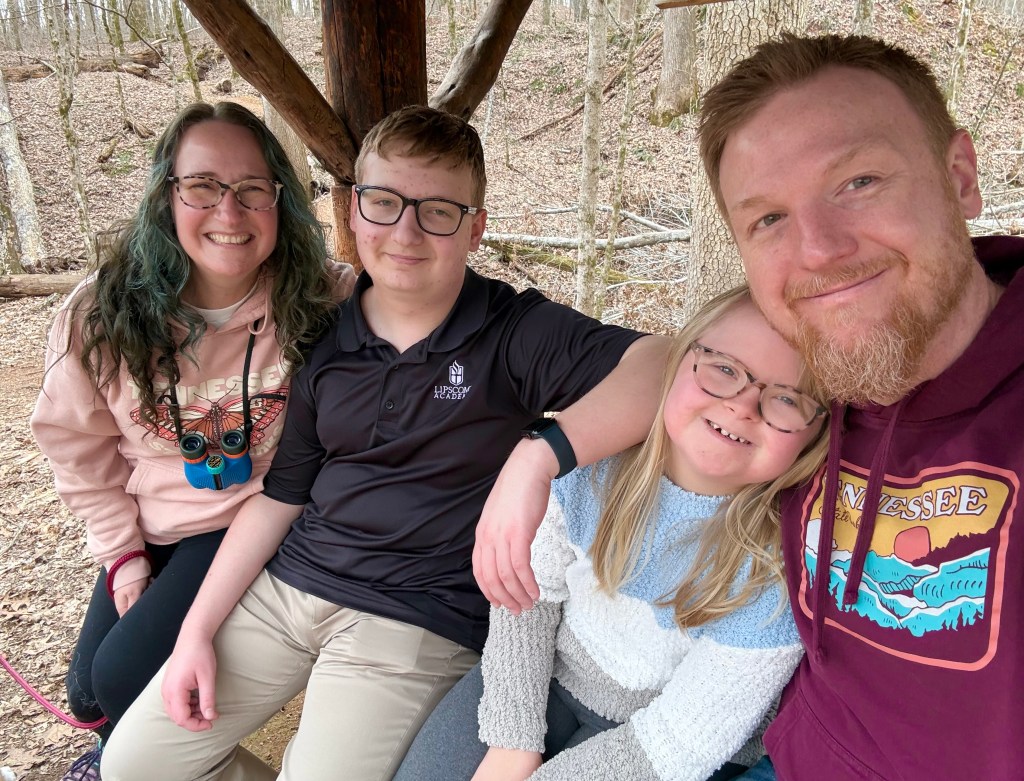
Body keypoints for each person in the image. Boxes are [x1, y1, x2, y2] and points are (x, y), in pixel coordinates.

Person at [478, 32, 1024, 781]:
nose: (820, 248)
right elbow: (667, 364)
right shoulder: (827, 359)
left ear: (959, 175)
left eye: (859, 180)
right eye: (768, 218)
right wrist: (540, 453)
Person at [100, 105, 667, 781]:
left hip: (413, 619)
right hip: (289, 590)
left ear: (475, 227)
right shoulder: (326, 339)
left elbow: (665, 365)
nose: (405, 230)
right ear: (353, 211)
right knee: (133, 764)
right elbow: (279, 501)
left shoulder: (514, 331)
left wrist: (539, 453)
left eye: (437, 210)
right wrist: (195, 631)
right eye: (384, 202)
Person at [30, 100, 355, 781]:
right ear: (166, 194)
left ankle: (140, 764)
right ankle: (135, 761)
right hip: (157, 519)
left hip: (258, 520)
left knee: (121, 682)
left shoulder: (324, 298)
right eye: (203, 186)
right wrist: (123, 557)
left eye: (251, 190)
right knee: (88, 694)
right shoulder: (100, 314)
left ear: (280, 200)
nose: (228, 214)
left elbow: (423, 300)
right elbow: (79, 451)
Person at [395, 285, 829, 781]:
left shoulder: (782, 568)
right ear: (681, 357)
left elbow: (682, 741)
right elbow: (527, 600)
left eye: (787, 399)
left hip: (666, 751)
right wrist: (511, 740)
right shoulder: (592, 466)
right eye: (725, 369)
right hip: (548, 675)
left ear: (818, 431)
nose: (744, 405)